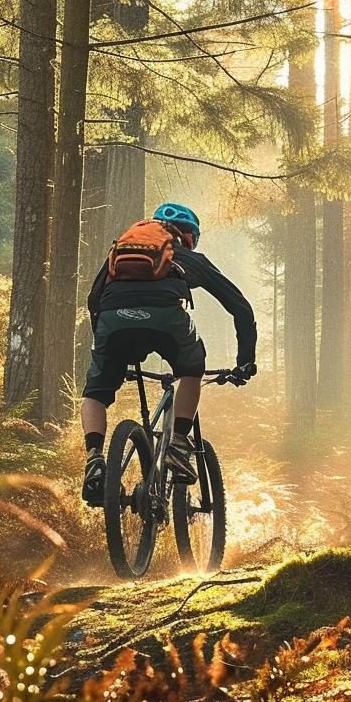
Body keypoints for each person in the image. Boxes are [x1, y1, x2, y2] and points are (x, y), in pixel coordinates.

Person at [80, 202, 258, 504]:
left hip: (113, 320)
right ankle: (177, 445)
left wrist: (108, 351)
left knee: (95, 393)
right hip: (165, 319)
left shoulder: (119, 252)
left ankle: (95, 459)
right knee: (191, 369)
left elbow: (94, 298)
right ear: (188, 235)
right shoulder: (186, 255)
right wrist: (245, 362)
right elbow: (239, 306)